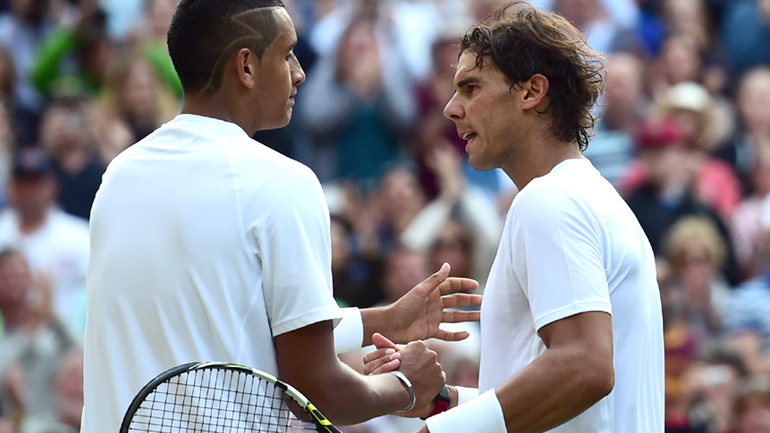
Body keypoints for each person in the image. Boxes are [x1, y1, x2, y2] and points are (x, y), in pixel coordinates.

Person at [80, 1, 482, 433]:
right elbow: (318, 390)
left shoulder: (118, 176)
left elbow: (237, 321)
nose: (299, 72)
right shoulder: (282, 183)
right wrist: (408, 386)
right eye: (287, 53)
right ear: (247, 67)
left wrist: (388, 321)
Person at [365, 2, 664, 432]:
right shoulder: (591, 197)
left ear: (530, 91)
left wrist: (446, 432)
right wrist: (445, 401)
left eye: (471, 88)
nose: (451, 108)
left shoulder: (551, 200)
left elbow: (585, 368)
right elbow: (569, 400)